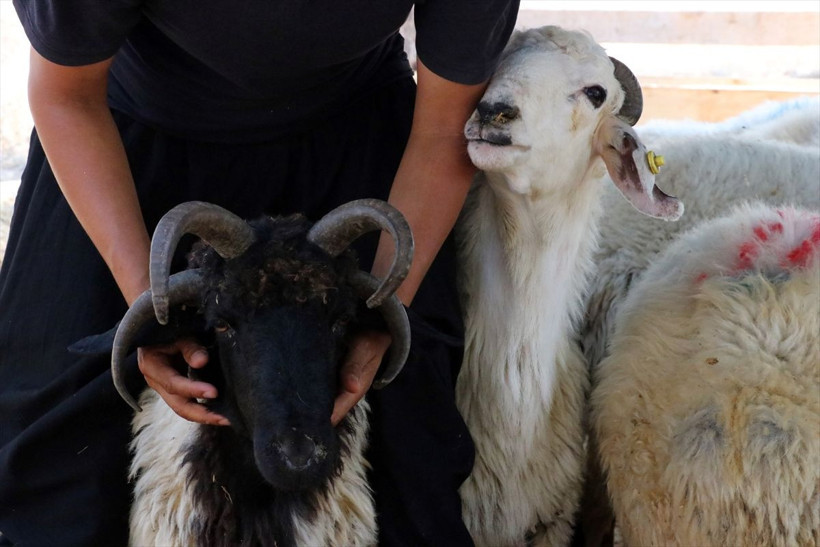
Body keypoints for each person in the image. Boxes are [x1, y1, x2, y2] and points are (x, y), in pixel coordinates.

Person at [0, 1, 519, 545]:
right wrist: (147, 306)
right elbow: (67, 95)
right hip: (129, 140)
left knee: (410, 448)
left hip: (356, 141)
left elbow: (442, 128)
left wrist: (385, 303)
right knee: (63, 460)